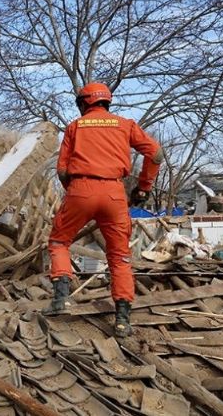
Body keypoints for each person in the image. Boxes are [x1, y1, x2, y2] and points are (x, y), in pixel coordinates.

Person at [46, 83, 163, 337]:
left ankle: (61, 300)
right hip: (114, 193)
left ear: (84, 103)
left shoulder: (75, 127)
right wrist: (144, 188)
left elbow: (63, 170)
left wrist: (75, 193)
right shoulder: (125, 124)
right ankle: (122, 320)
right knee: (119, 256)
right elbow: (155, 154)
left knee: (59, 242)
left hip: (81, 188)